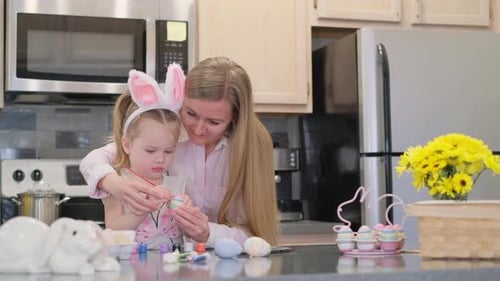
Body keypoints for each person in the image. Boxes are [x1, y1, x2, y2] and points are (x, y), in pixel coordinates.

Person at [80, 57, 278, 246]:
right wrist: (112, 182)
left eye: (214, 122)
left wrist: (207, 233)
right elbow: (94, 160)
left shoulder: (250, 148)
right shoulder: (167, 134)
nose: (199, 129)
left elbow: (258, 238)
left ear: (234, 118)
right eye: (191, 113)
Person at [102, 64, 191, 250]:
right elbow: (113, 228)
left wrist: (188, 216)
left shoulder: (177, 185)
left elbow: (186, 234)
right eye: (150, 151)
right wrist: (145, 208)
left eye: (168, 151)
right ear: (127, 145)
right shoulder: (118, 184)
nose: (160, 159)